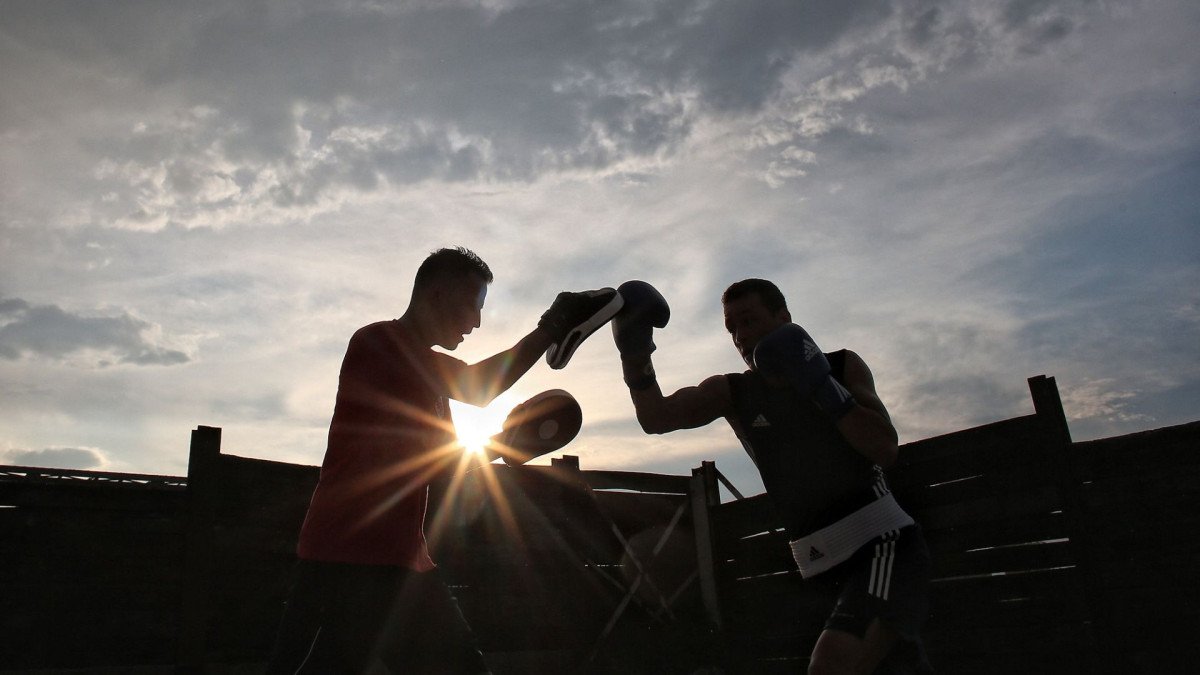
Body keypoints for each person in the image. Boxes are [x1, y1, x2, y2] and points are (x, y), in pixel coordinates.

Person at [267, 246, 622, 674]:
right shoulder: (377, 342)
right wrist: (553, 325)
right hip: (344, 557)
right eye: (473, 305)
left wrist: (505, 444)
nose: (476, 321)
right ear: (436, 295)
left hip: (404, 563)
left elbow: (445, 469)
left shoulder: (431, 388)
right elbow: (479, 387)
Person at [610, 278, 931, 674]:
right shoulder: (734, 391)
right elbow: (656, 417)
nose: (741, 336)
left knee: (831, 665)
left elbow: (885, 447)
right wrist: (635, 352)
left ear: (785, 318)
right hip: (817, 567)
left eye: (749, 321)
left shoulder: (840, 365)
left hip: (883, 547)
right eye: (732, 329)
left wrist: (820, 386)